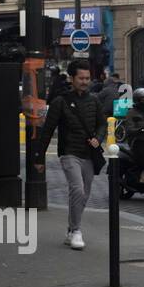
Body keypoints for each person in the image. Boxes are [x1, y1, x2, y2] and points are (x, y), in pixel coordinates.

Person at [35, 58, 106, 250]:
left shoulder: (94, 100)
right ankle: (76, 230)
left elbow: (102, 124)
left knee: (84, 195)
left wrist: (98, 139)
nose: (85, 81)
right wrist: (39, 157)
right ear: (72, 79)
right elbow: (48, 130)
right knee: (77, 189)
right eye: (81, 78)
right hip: (69, 153)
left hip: (88, 155)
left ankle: (70, 229)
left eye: (87, 78)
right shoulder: (61, 102)